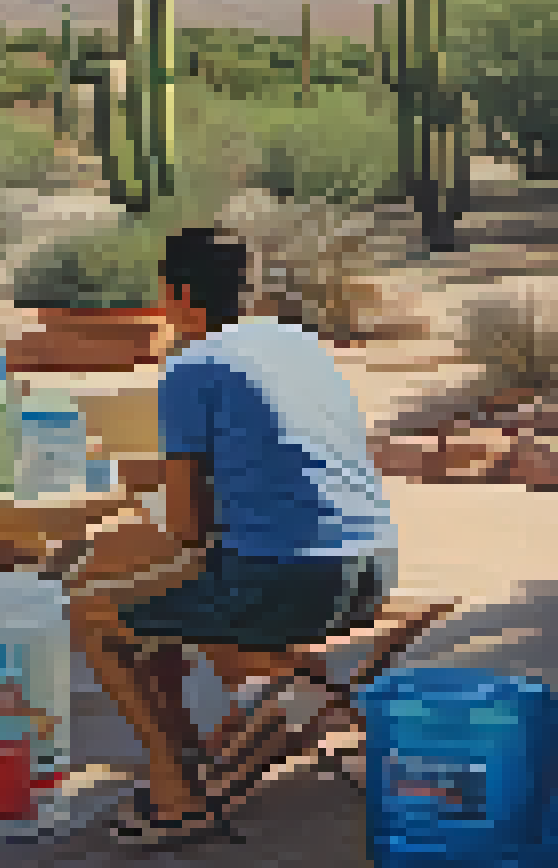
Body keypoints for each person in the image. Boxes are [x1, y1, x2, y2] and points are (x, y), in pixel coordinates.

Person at [61, 227, 395, 849]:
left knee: (94, 611)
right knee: (153, 600)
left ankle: (174, 791)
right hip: (374, 569)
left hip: (298, 583)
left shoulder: (191, 369)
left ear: (179, 294)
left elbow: (188, 526)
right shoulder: (300, 344)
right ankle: (190, 753)